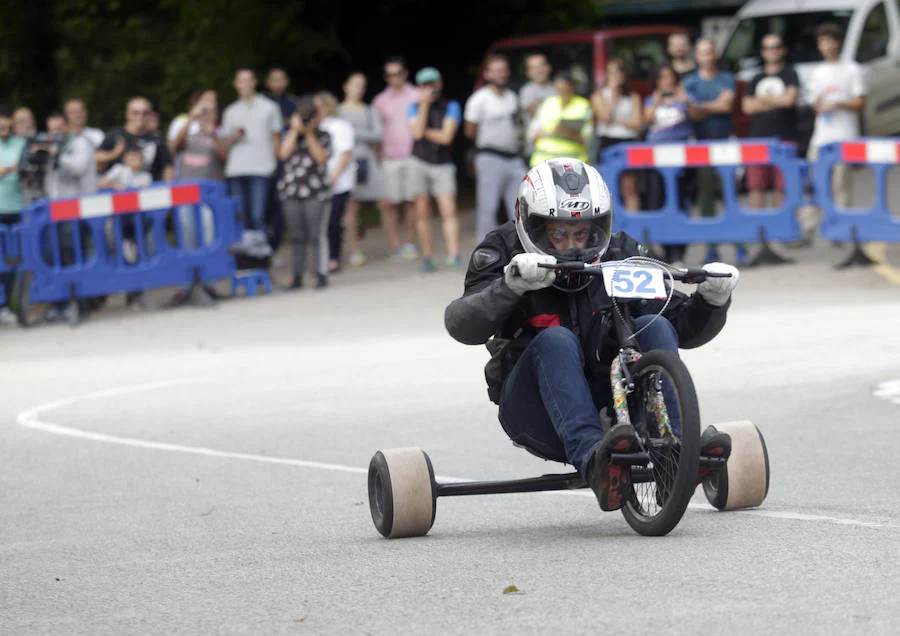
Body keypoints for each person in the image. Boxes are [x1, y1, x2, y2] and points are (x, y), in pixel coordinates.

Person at [443, 158, 739, 512]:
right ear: (530, 223)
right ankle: (596, 461)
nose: (573, 245)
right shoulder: (502, 251)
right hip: (533, 407)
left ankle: (675, 452)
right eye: (559, 234)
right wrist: (511, 286)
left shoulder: (620, 252)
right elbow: (461, 324)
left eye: (582, 233)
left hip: (613, 402)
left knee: (656, 326)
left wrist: (712, 301)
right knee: (556, 339)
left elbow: (679, 325)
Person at [795, 22, 867, 247]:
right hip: (821, 136)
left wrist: (837, 103)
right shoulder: (817, 72)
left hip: (844, 135)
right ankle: (806, 230)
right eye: (822, 42)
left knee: (841, 185)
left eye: (830, 41)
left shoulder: (852, 69)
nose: (827, 46)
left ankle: (841, 230)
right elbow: (812, 103)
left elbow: (860, 102)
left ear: (838, 43)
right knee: (813, 184)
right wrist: (819, 105)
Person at [683, 39, 742, 264]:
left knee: (729, 194)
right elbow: (693, 115)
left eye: (710, 51)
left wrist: (701, 105)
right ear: (696, 56)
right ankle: (711, 246)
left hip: (725, 143)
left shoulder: (726, 78)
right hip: (701, 145)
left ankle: (740, 243)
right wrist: (712, 105)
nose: (707, 56)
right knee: (706, 199)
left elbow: (726, 106)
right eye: (702, 52)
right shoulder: (691, 82)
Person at [464, 53, 528, 241]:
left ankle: (520, 244)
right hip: (490, 156)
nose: (501, 74)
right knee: (488, 206)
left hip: (514, 157)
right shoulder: (479, 99)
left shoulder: (512, 97)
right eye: (497, 71)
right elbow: (470, 131)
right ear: (487, 74)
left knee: (520, 204)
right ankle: (486, 248)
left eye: (504, 70)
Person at [339, 71, 399, 267]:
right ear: (346, 86)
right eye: (355, 84)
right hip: (347, 163)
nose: (359, 89)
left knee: (385, 202)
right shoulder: (338, 111)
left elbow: (378, 134)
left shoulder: (369, 110)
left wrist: (353, 133)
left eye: (362, 85)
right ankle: (354, 251)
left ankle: (394, 246)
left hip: (369, 160)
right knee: (351, 207)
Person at [407, 66, 462, 272]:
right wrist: (424, 106)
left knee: (449, 209)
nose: (430, 88)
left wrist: (425, 131)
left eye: (433, 84)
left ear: (440, 84)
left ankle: (454, 254)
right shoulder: (414, 106)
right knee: (422, 211)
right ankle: (428, 257)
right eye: (425, 85)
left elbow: (446, 137)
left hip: (443, 163)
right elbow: (416, 133)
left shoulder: (452, 105)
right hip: (419, 162)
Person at [276, 96, 332, 290]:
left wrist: (309, 134)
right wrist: (294, 130)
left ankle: (321, 273)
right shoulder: (289, 134)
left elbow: (321, 157)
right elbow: (283, 154)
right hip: (291, 191)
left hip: (315, 191)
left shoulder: (323, 135)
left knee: (316, 234)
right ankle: (297, 275)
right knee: (296, 235)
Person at [220, 66, 283, 231]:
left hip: (261, 168)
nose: (245, 84)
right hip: (236, 169)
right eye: (241, 81)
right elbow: (224, 143)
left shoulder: (269, 107)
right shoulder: (230, 111)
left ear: (254, 82)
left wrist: (274, 165)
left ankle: (259, 254)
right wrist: (232, 138)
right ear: (236, 84)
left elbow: (276, 138)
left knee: (258, 215)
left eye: (248, 80)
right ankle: (244, 254)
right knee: (240, 215)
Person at [643, 64, 695, 265]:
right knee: (659, 201)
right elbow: (646, 121)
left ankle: (679, 253)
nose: (667, 81)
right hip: (656, 160)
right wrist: (655, 103)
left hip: (681, 158)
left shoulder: (684, 97)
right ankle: (666, 250)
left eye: (670, 77)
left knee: (681, 201)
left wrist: (687, 101)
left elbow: (695, 117)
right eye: (662, 77)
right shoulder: (651, 99)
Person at [741, 34, 799, 210]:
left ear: (783, 50)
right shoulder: (756, 78)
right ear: (762, 52)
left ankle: (781, 230)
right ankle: (759, 229)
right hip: (758, 139)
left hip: (785, 137)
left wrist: (763, 100)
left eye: (776, 47)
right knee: (756, 187)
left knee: (782, 187)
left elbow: (789, 101)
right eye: (768, 48)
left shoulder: (790, 73)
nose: (772, 51)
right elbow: (747, 108)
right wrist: (777, 100)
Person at [371, 56, 420, 260]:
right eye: (390, 75)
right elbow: (375, 133)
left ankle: (408, 242)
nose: (395, 78)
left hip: (413, 156)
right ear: (385, 77)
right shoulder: (379, 101)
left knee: (411, 202)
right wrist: (378, 158)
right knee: (389, 204)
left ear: (405, 74)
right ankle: (394, 245)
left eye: (398, 73)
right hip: (389, 158)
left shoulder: (417, 95)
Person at [170, 93, 228, 248]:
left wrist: (213, 134)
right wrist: (190, 120)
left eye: (212, 104)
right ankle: (191, 267)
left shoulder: (218, 130)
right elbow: (173, 148)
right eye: (204, 111)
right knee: (187, 228)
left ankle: (209, 267)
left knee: (209, 228)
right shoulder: (184, 127)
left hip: (208, 189)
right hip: (184, 187)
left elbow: (224, 157)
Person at [590, 58, 643, 211]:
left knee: (630, 187)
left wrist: (617, 120)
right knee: (608, 187)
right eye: (612, 72)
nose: (616, 75)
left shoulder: (632, 97)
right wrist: (613, 94)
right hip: (608, 141)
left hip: (628, 142)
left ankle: (633, 225)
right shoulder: (599, 96)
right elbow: (605, 116)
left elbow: (637, 123)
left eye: (619, 71)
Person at [314, 91, 356, 273]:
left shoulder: (341, 125)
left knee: (333, 221)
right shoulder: (316, 126)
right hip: (318, 182)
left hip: (339, 182)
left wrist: (334, 177)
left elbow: (345, 153)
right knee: (320, 223)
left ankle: (334, 258)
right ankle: (321, 258)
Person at [96, 96, 174, 182]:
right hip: (117, 191)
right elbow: (97, 157)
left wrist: (168, 187)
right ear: (127, 114)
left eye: (145, 113)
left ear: (150, 115)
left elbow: (167, 167)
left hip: (149, 190)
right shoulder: (115, 134)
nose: (140, 116)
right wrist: (114, 153)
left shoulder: (157, 139)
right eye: (135, 113)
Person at [527, 71, 593, 167]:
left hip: (573, 165)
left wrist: (568, 133)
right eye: (559, 89)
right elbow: (531, 134)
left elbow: (587, 140)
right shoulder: (547, 103)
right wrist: (553, 133)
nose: (562, 92)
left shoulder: (583, 105)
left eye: (565, 89)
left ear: (571, 87)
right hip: (544, 163)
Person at [0, 107, 26, 323]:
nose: (5, 131)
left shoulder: (21, 143)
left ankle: (7, 305)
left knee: (13, 262)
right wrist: (9, 170)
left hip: (18, 209)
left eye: (8, 127)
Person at [518, 53, 556, 158]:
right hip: (536, 150)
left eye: (541, 66)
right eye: (534, 68)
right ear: (528, 72)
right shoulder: (527, 91)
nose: (539, 70)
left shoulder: (557, 89)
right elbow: (534, 111)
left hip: (557, 147)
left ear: (548, 68)